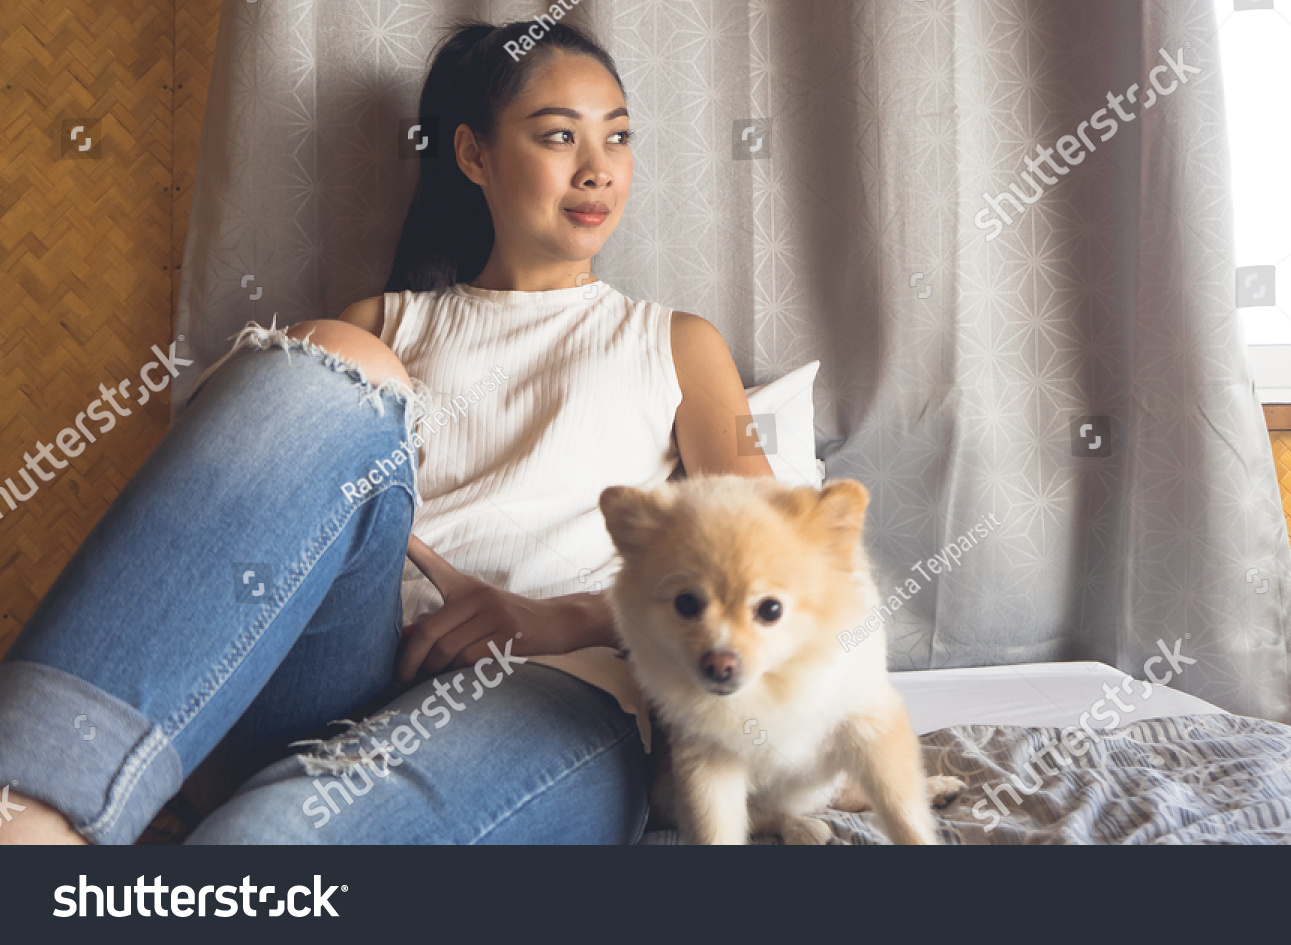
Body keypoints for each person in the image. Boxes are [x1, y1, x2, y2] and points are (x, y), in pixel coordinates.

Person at [0, 18, 773, 844]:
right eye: (559, 136)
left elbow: (776, 575)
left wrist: (566, 618)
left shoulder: (676, 343)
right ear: (474, 155)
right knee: (330, 350)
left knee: (266, 843)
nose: (598, 170)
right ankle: (30, 810)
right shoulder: (378, 327)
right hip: (337, 675)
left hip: (549, 691)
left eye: (617, 138)